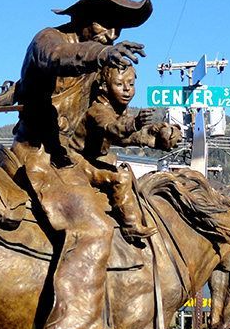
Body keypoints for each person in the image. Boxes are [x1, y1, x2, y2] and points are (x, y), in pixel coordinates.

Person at [7, 0, 154, 329]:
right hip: (36, 155)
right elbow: (58, 58)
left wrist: (144, 131)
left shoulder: (95, 59)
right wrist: (100, 56)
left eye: (118, 23)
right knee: (94, 226)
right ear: (84, 14)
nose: (111, 32)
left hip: (67, 160)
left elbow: (98, 117)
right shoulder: (49, 40)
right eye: (106, 19)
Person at [69, 62, 181, 241]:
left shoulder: (116, 107)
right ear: (105, 87)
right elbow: (113, 128)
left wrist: (157, 136)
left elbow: (128, 137)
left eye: (131, 84)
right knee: (122, 178)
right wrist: (135, 123)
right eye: (119, 84)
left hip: (95, 158)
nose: (127, 90)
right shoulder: (98, 109)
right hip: (76, 161)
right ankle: (130, 225)